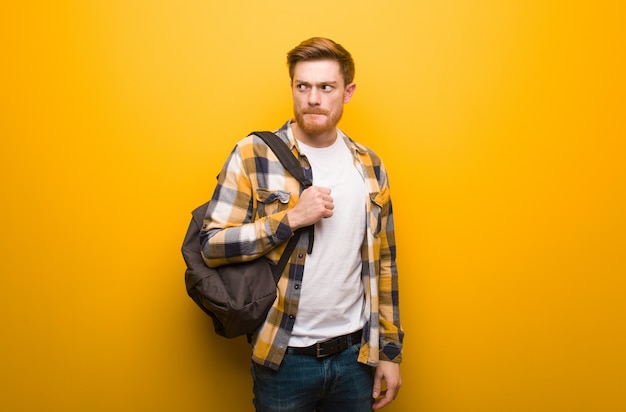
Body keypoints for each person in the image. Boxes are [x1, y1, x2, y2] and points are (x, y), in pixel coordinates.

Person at [200, 37, 403, 411]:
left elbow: (384, 264)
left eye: (326, 87)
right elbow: (211, 245)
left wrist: (389, 352)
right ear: (292, 87)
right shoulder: (253, 154)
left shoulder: (370, 167)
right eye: (303, 86)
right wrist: (289, 219)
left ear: (347, 92)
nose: (313, 98)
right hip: (284, 356)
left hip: (356, 356)